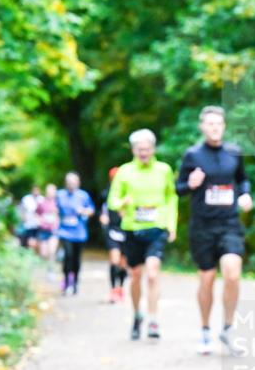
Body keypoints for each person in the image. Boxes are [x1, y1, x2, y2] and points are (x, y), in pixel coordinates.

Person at [176, 106, 252, 355]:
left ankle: (228, 329)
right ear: (202, 127)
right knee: (207, 278)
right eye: (210, 124)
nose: (215, 127)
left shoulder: (234, 152)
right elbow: (178, 188)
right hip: (202, 226)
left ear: (224, 125)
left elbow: (242, 179)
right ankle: (205, 330)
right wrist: (190, 183)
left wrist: (245, 195)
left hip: (229, 223)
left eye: (218, 123)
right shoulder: (192, 155)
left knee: (232, 273)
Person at [107, 129, 178, 340]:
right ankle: (137, 315)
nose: (144, 152)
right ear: (133, 150)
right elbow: (112, 200)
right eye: (140, 149)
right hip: (132, 229)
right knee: (136, 276)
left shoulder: (163, 170)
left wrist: (171, 224)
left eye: (147, 149)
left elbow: (171, 197)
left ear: (153, 148)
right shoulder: (125, 172)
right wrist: (122, 203)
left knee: (153, 273)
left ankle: (154, 319)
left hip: (157, 227)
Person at [55, 172, 95, 295]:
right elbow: (54, 210)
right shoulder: (60, 195)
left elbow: (91, 211)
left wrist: (83, 211)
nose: (71, 184)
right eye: (69, 182)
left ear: (78, 183)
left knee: (76, 259)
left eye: (73, 182)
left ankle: (76, 283)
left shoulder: (83, 196)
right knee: (68, 255)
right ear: (65, 183)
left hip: (79, 232)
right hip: (64, 231)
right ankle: (67, 282)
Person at [100, 167, 129, 304]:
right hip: (113, 231)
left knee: (124, 264)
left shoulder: (130, 192)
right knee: (114, 260)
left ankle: (120, 288)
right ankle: (112, 290)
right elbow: (104, 208)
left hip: (127, 232)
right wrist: (104, 217)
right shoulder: (107, 193)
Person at [36, 184, 60, 276]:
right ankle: (46, 267)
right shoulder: (41, 202)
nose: (51, 193)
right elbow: (36, 213)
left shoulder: (58, 203)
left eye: (52, 191)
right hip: (43, 230)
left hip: (54, 230)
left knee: (52, 251)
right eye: (49, 190)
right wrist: (39, 220)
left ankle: (51, 270)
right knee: (43, 253)